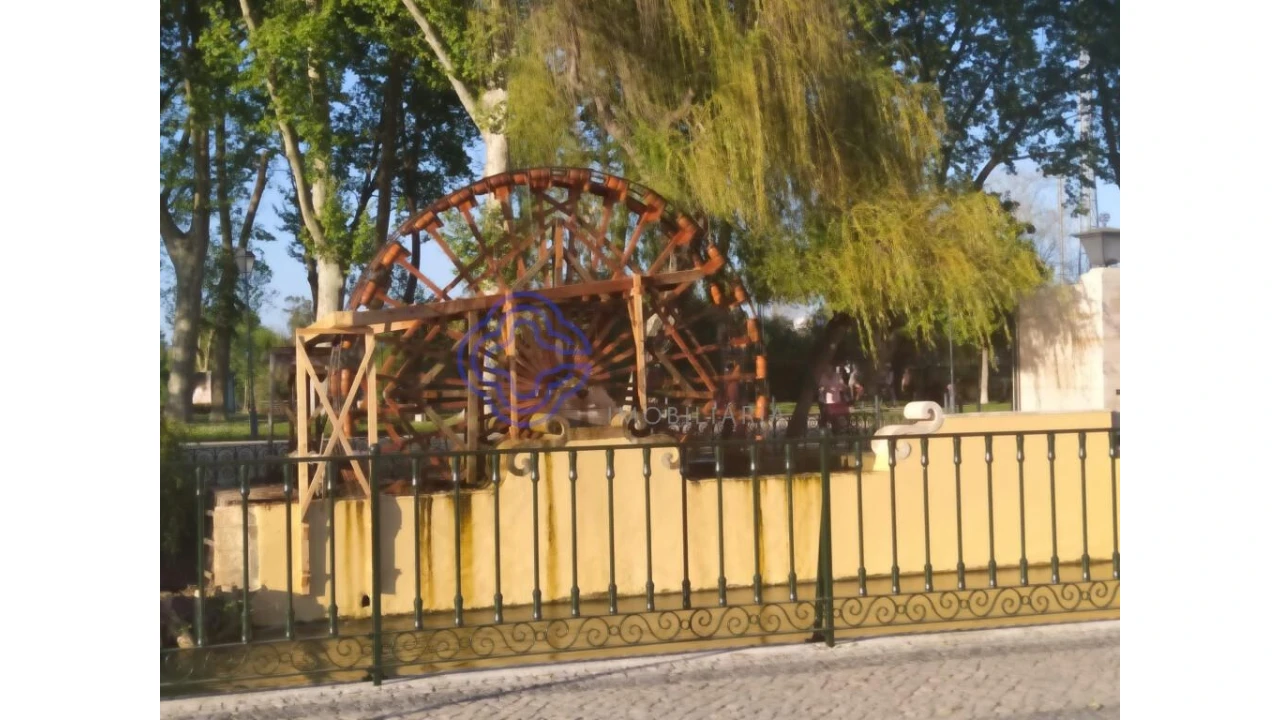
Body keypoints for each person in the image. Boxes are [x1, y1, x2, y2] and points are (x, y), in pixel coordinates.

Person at [817, 364, 849, 431]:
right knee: (824, 418)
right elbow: (820, 388)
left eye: (829, 369)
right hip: (824, 402)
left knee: (834, 419)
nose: (828, 371)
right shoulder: (822, 377)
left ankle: (835, 433)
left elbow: (842, 387)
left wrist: (844, 387)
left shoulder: (837, 376)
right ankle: (823, 433)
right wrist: (822, 389)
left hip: (835, 401)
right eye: (826, 369)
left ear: (832, 369)